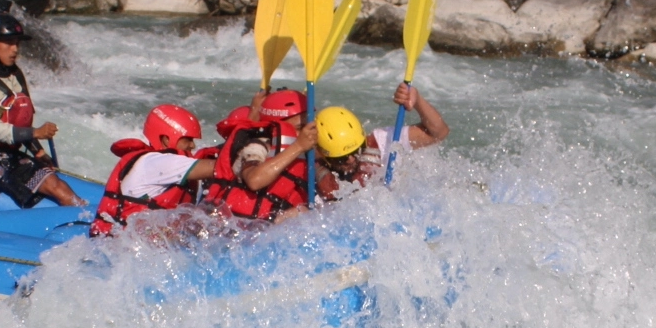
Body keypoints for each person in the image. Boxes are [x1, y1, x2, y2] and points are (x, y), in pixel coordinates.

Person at [0, 14, 86, 224]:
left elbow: (20, 119)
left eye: (17, 43)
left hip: (10, 153)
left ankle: (88, 221)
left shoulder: (15, 75)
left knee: (56, 185)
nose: (15, 49)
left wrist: (36, 149)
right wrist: (35, 132)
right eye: (9, 43)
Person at [89, 105, 221, 237]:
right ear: (165, 139)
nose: (193, 145)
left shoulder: (158, 164)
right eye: (188, 139)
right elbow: (216, 168)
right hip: (122, 244)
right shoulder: (156, 163)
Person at [315, 82, 449, 199]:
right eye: (341, 158)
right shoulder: (310, 167)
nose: (351, 159)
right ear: (325, 156)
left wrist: (417, 100)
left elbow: (439, 132)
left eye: (357, 150)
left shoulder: (383, 141)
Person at [203, 89, 318, 222]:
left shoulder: (306, 151)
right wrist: (298, 146)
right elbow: (254, 180)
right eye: (299, 127)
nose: (305, 133)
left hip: (268, 226)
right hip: (237, 228)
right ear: (277, 125)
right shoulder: (257, 146)